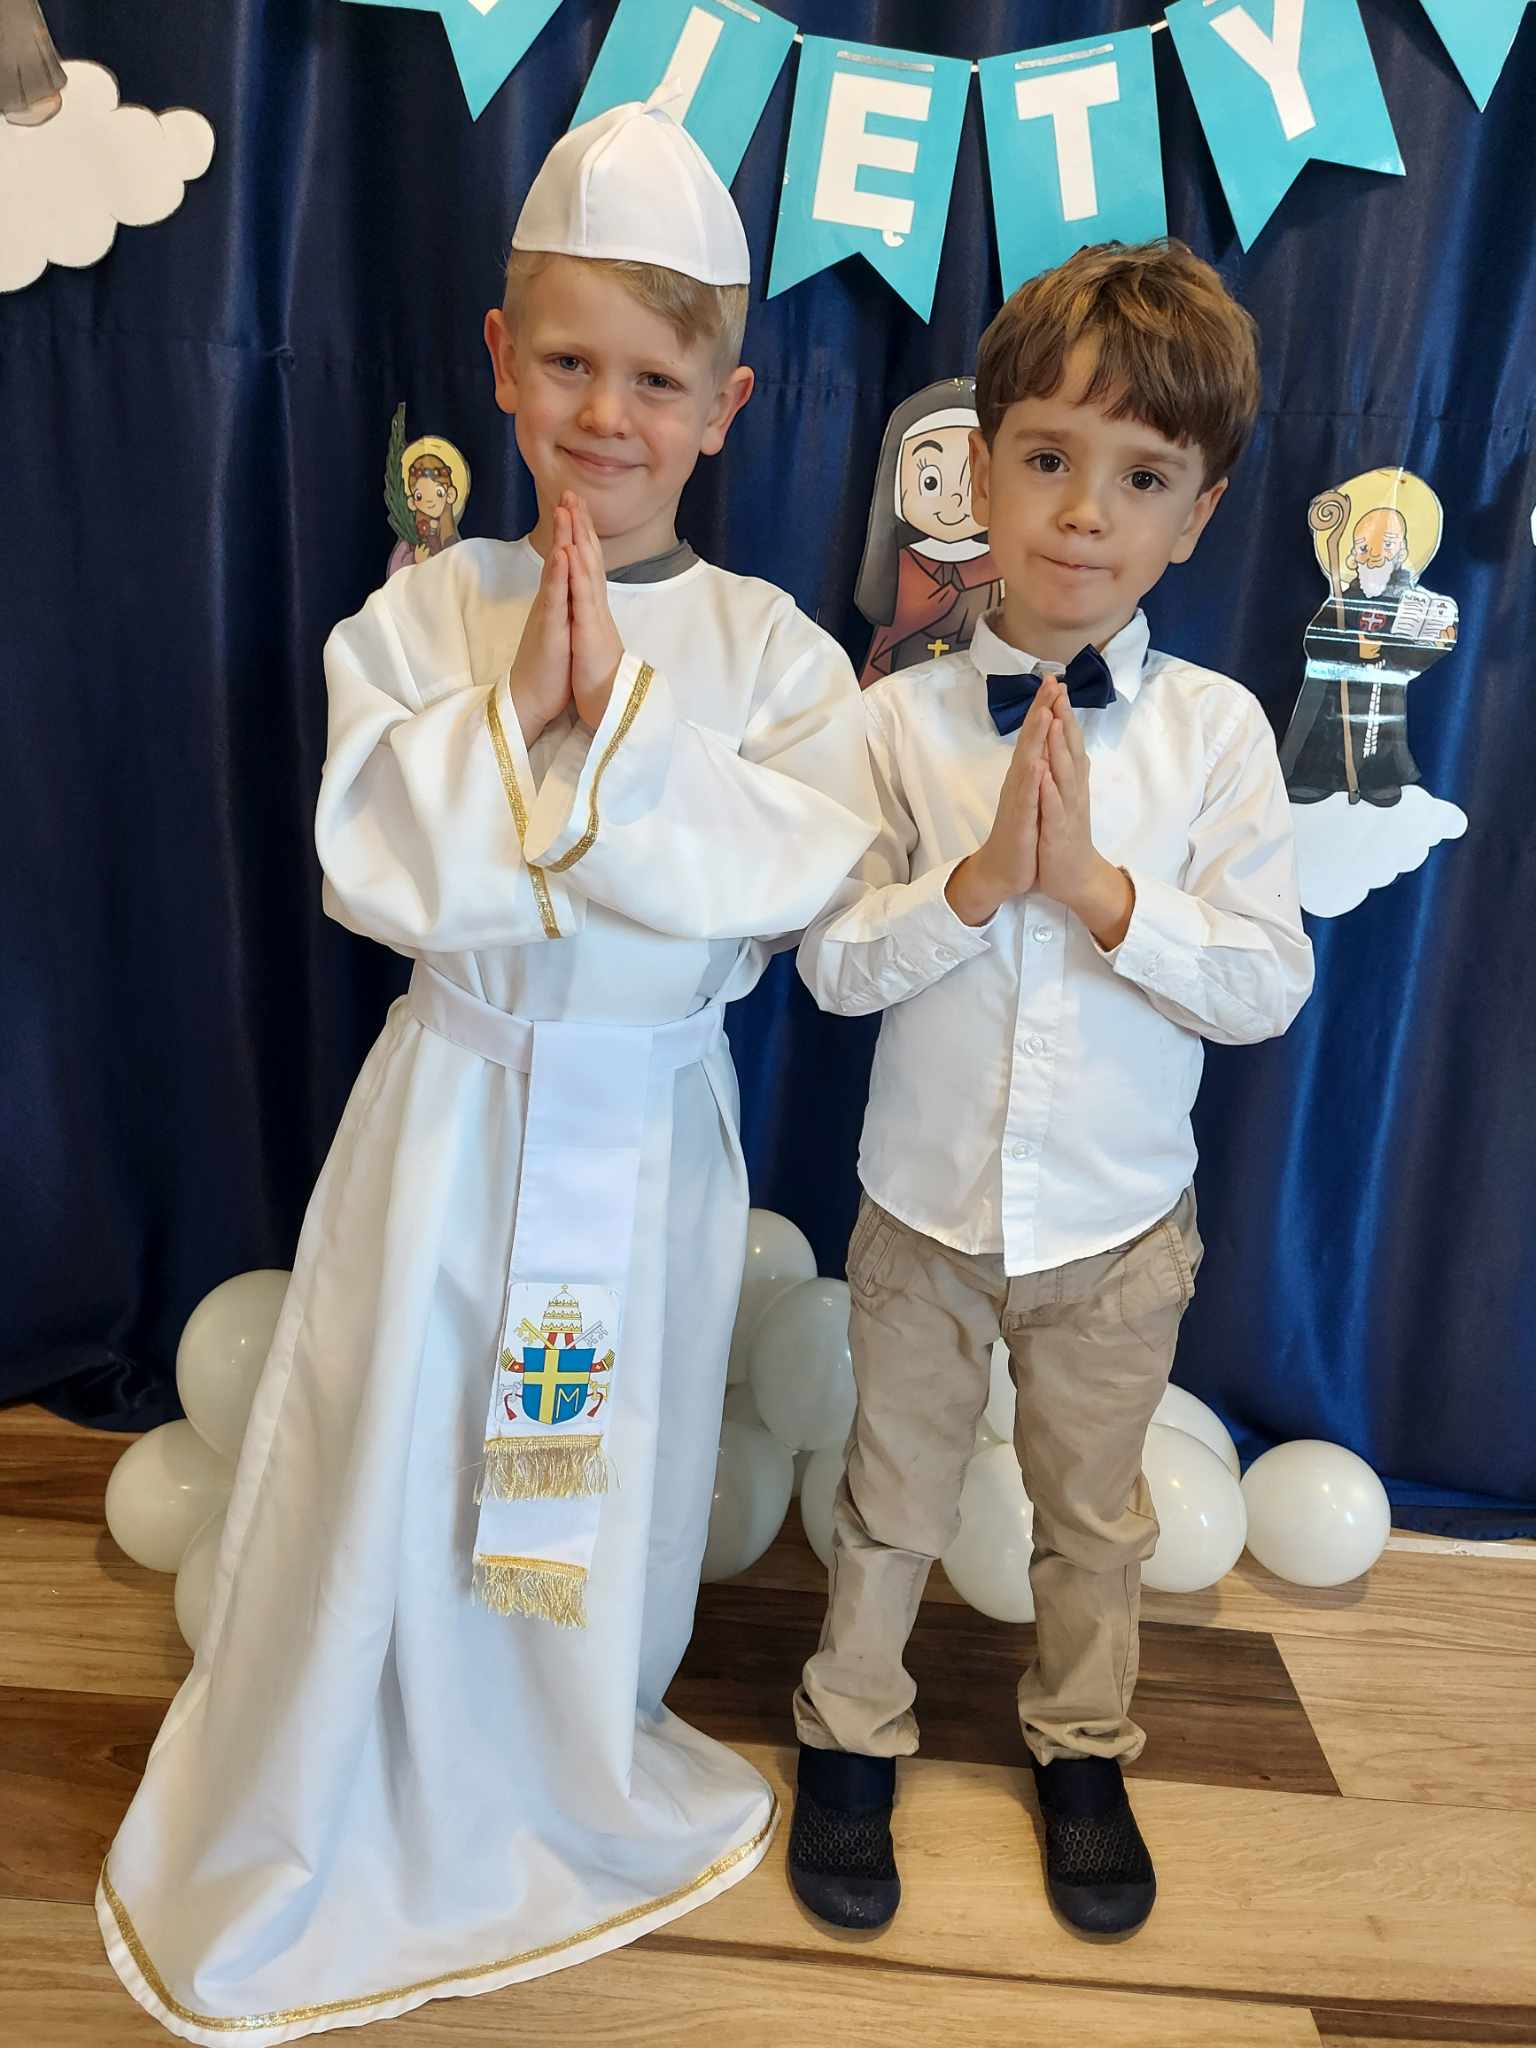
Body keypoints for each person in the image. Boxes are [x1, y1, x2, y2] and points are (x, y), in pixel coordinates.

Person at [98, 91, 876, 2043]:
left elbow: (800, 865)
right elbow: (369, 858)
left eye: (657, 378)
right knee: (409, 1432)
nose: (609, 414)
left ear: (727, 404)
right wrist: (511, 707)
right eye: (570, 365)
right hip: (457, 1111)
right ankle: (364, 1738)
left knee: (599, 1469)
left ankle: (560, 1752)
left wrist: (619, 731)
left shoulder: (774, 651)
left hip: (648, 1129)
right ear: (502, 364)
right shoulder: (428, 612)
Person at [788, 240, 1314, 1941]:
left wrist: (1097, 890)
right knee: (888, 1502)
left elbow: (1269, 983)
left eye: (1141, 477)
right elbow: (826, 965)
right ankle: (848, 1729)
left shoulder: (1217, 736)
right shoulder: (895, 725)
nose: (1085, 514)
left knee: (1094, 1520)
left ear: (1198, 514)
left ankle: (1082, 1748)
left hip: (1115, 1234)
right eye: (1047, 459)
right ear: (980, 467)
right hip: (922, 1215)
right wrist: (969, 890)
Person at [855, 377, 1004, 686]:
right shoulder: (902, 566)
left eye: (972, 479)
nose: (954, 500)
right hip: (901, 694)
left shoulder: (1003, 567)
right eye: (930, 481)